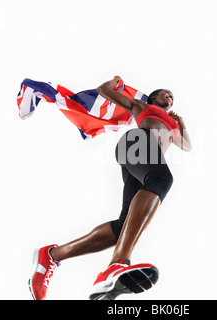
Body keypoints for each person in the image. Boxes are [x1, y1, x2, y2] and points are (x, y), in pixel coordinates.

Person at [28, 76, 192, 300]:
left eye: (172, 96)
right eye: (166, 93)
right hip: (137, 142)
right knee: (161, 181)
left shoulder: (172, 124)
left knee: (123, 226)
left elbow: (186, 145)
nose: (170, 97)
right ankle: (117, 265)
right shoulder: (142, 106)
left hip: (142, 160)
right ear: (153, 97)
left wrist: (181, 122)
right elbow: (103, 90)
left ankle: (51, 255)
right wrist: (114, 82)